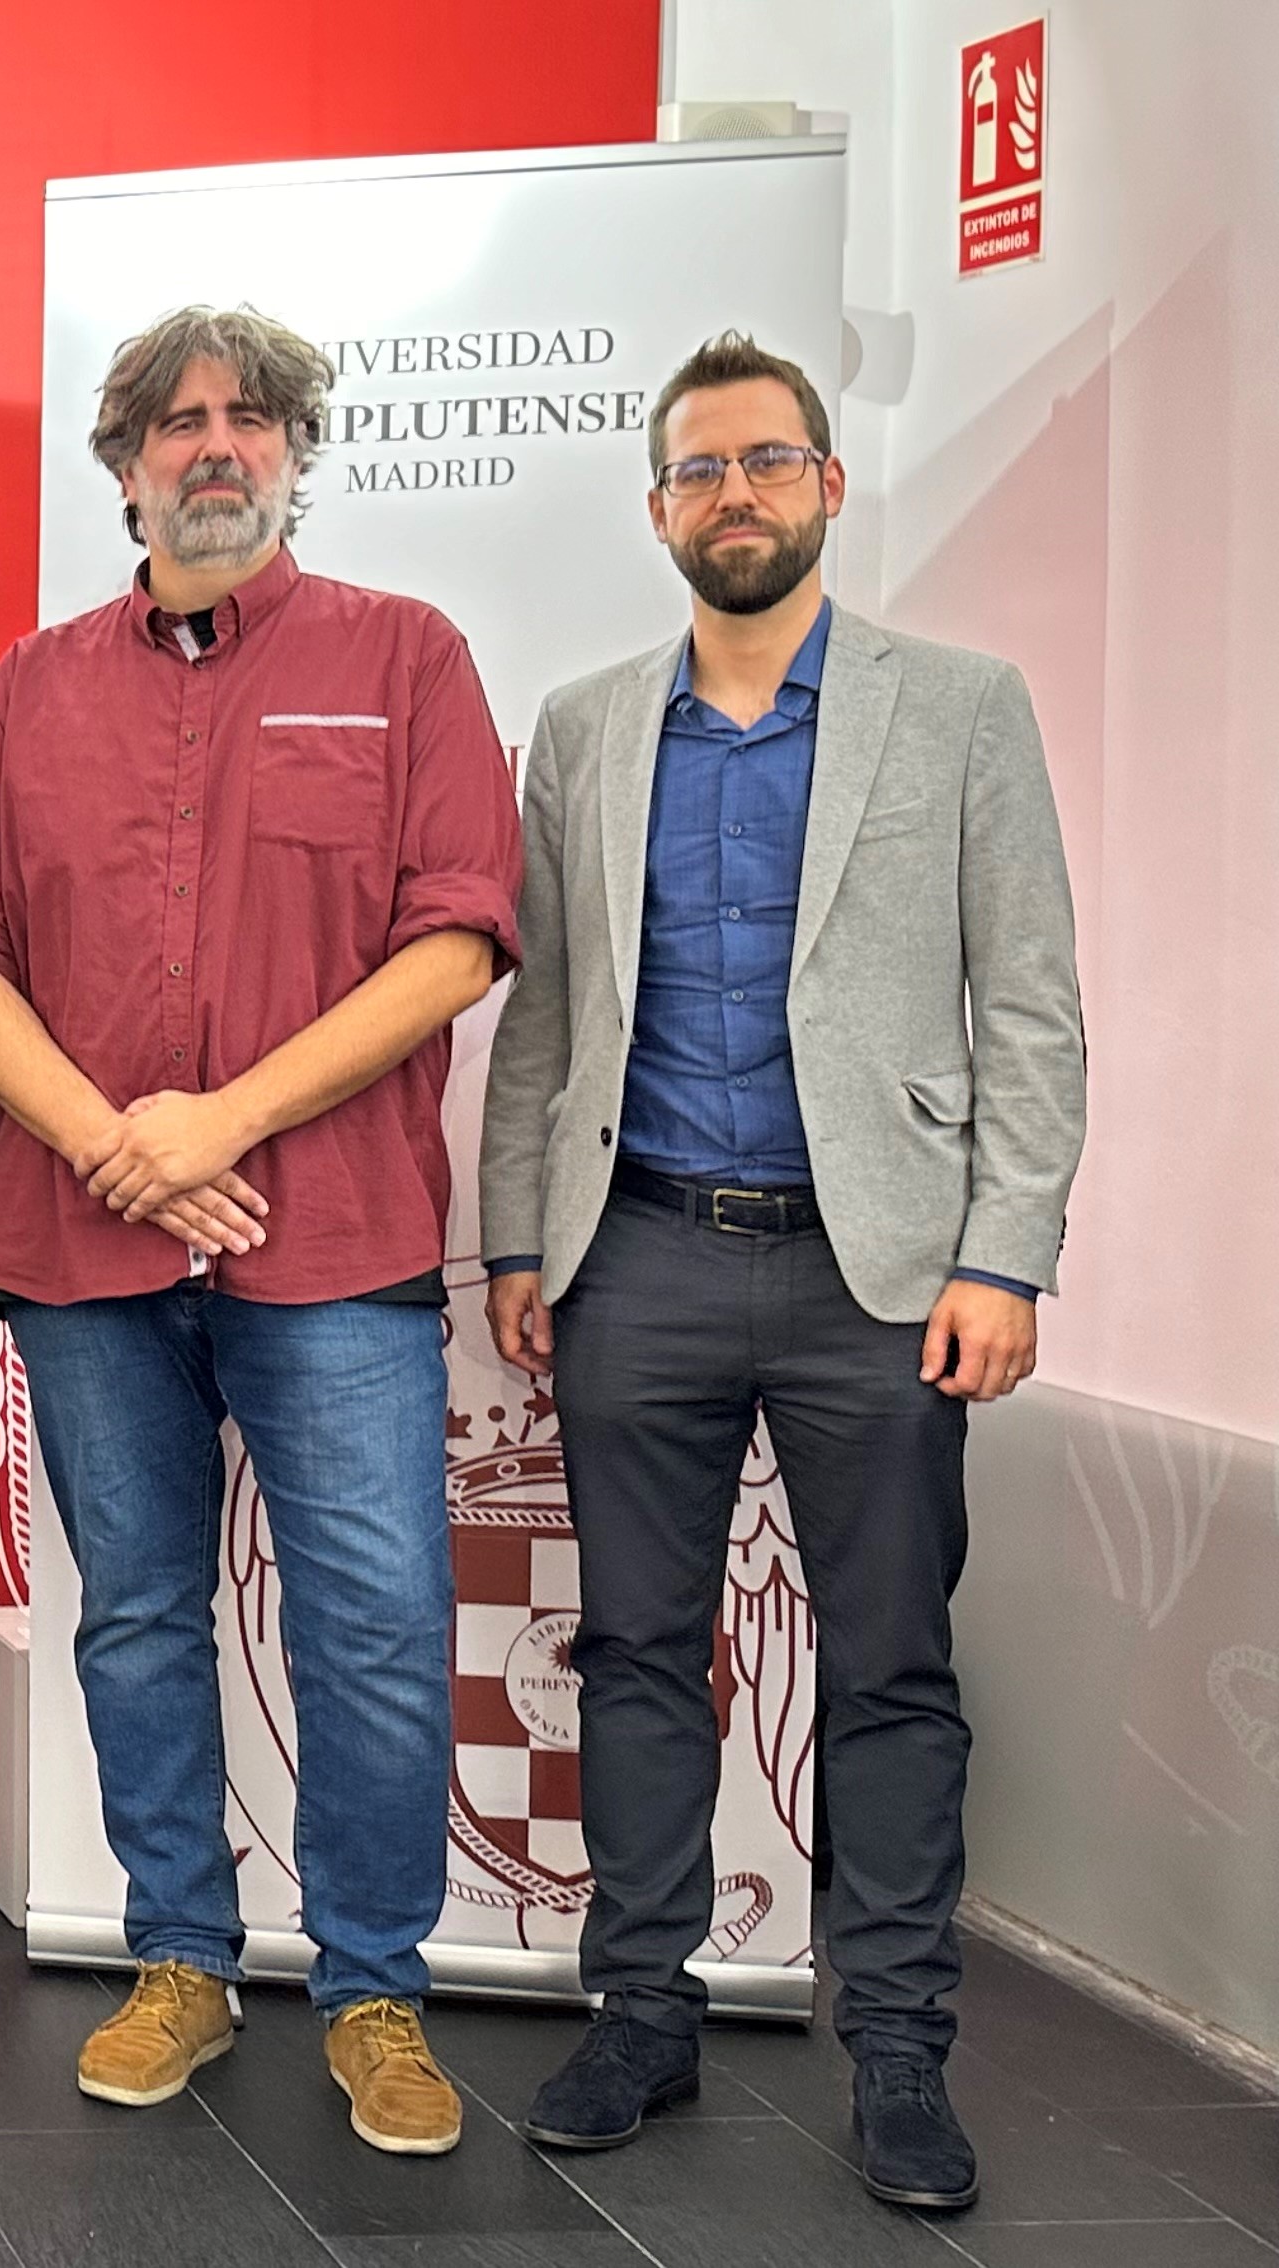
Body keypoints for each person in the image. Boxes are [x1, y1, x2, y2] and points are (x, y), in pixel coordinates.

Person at [480, 334, 1085, 2210]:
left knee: (891, 1672)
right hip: (636, 1257)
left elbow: (1032, 1008)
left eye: (766, 461)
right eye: (697, 470)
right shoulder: (584, 727)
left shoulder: (963, 709)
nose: (732, 493)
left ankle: (898, 2053)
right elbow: (547, 1014)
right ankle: (643, 2015)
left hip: (880, 1277)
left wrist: (1005, 1252)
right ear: (657, 508)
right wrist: (518, 1233)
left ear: (827, 483)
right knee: (642, 1658)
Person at [0, 305, 523, 2157]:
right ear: (121, 468)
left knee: (370, 1620)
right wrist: (118, 1146)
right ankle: (179, 1954)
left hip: (328, 1241)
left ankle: (372, 1991)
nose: (214, 446)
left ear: (292, 453)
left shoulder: (406, 657)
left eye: (250, 419)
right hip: (88, 1251)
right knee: (137, 1623)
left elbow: (458, 936)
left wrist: (217, 1125)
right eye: (176, 422)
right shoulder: (32, 686)